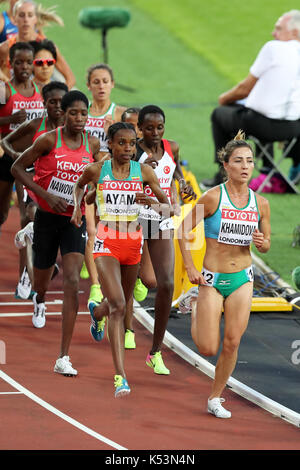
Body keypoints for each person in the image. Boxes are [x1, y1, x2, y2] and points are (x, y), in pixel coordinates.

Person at [71, 121, 173, 396]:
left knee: (121, 302)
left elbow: (168, 210)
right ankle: (121, 376)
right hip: (106, 242)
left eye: (131, 143)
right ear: (111, 145)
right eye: (121, 143)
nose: (127, 148)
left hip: (133, 243)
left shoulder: (145, 172)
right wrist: (78, 210)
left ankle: (96, 312)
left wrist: (150, 202)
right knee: (118, 305)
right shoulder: (98, 169)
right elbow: (79, 186)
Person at [178, 131, 271, 418]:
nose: (245, 166)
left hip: (243, 278)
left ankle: (215, 397)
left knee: (232, 342)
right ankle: (194, 304)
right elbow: (183, 229)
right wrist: (191, 269)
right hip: (212, 280)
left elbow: (266, 244)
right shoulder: (213, 197)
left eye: (250, 161)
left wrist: (262, 243)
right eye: (238, 161)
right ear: (226, 165)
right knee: (207, 348)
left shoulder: (261, 203)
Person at [11, 90, 101, 376]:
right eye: (73, 112)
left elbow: (99, 176)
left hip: (73, 221)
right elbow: (17, 168)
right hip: (47, 218)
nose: (79, 118)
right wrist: (44, 197)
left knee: (73, 279)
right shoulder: (49, 140)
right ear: (62, 113)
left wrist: (92, 197)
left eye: (83, 113)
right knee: (41, 284)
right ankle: (39, 297)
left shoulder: (93, 143)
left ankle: (64, 355)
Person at [201, 10, 300, 189]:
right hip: (293, 129)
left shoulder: (274, 48)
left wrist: (224, 99)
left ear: (295, 32)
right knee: (260, 111)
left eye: (279, 29)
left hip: (261, 125)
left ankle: (224, 174)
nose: (273, 33)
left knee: (220, 114)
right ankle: (282, 167)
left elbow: (244, 88)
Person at [133, 104, 196, 374]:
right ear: (140, 129)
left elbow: (175, 170)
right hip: (132, 219)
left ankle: (155, 351)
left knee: (165, 283)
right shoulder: (133, 150)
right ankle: (101, 314)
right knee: (144, 281)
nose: (155, 133)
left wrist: (181, 182)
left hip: (161, 217)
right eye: (149, 128)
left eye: (159, 127)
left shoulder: (172, 147)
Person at [1, 80, 68, 297]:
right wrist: (16, 157)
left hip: (62, 187)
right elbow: (6, 142)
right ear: (44, 102)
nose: (58, 106)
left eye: (61, 102)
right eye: (52, 102)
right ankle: (30, 277)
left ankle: (39, 269)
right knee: (28, 217)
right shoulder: (36, 124)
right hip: (32, 180)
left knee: (55, 230)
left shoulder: (74, 128)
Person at [82, 63, 127, 304]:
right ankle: (96, 287)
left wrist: (111, 138)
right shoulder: (82, 113)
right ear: (88, 85)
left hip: (113, 182)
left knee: (113, 232)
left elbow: (130, 148)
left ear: (113, 84)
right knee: (92, 231)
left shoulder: (119, 114)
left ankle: (128, 277)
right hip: (88, 178)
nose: (101, 86)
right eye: (96, 81)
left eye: (105, 81)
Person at [0, 41, 43, 231]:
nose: (24, 66)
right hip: (9, 157)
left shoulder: (40, 90)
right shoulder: (4, 90)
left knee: (31, 212)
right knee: (1, 213)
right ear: (10, 64)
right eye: (19, 62)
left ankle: (34, 258)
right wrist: (9, 118)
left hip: (34, 160)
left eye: (28, 62)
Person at [0, 0, 75, 89]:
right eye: (21, 15)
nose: (26, 20)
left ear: (36, 19)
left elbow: (70, 79)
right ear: (14, 19)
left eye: (30, 15)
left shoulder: (47, 47)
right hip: (14, 99)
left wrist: (58, 97)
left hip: (41, 99)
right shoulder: (5, 48)